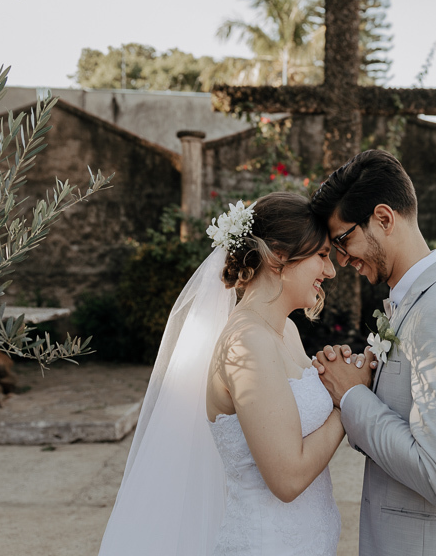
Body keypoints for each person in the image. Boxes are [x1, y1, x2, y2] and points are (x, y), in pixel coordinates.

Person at [98, 192, 372, 556]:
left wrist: (331, 375)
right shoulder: (246, 344)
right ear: (277, 257)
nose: (331, 270)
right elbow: (287, 478)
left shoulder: (285, 331)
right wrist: (347, 401)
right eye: (321, 256)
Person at [311, 150, 436, 556]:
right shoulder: (425, 304)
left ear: (383, 219)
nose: (342, 258)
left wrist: (353, 398)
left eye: (342, 240)